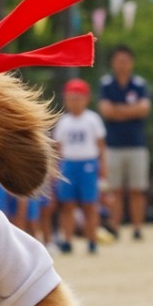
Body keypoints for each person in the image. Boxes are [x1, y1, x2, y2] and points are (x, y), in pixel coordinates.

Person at [98, 44, 151, 241]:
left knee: (137, 189)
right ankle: (115, 226)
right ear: (113, 63)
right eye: (118, 61)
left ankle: (137, 228)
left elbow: (144, 109)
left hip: (137, 144)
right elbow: (106, 111)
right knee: (115, 189)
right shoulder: (106, 84)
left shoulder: (139, 84)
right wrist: (131, 110)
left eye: (125, 61)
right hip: (113, 145)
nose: (122, 64)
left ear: (131, 63)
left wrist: (118, 110)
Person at [52, 78, 107, 254]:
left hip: (88, 164)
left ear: (86, 99)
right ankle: (67, 240)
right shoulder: (64, 122)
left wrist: (103, 169)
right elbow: (58, 148)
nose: (74, 102)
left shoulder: (92, 119)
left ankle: (92, 240)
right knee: (67, 204)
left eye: (78, 97)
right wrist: (56, 169)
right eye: (70, 98)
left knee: (89, 204)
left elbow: (101, 146)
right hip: (68, 164)